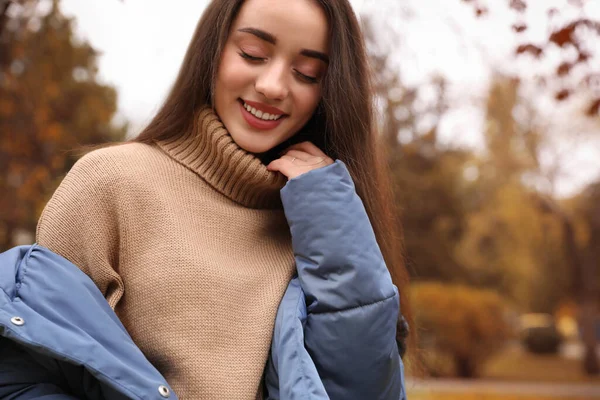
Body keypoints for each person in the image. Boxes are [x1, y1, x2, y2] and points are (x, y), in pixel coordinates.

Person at [0, 0, 410, 398]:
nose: (272, 86)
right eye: (253, 54)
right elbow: (25, 369)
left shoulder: (323, 217)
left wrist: (330, 215)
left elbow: (365, 388)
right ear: (212, 52)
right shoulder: (110, 183)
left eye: (306, 73)